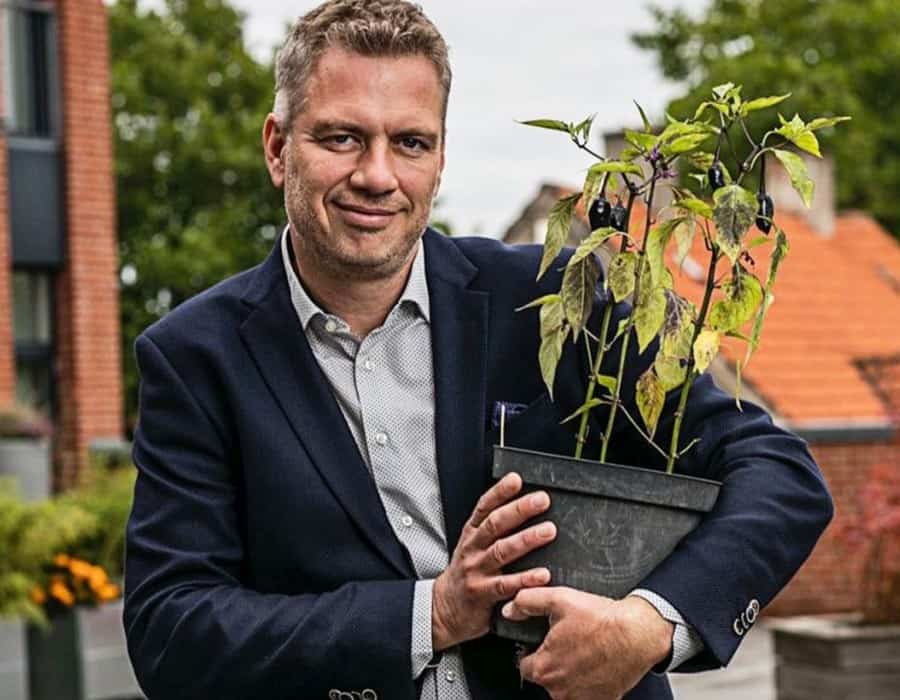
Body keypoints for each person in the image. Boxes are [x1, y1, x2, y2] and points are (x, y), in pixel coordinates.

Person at [122, 1, 833, 699]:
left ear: (439, 158)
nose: (377, 175)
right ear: (278, 148)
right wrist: (430, 614)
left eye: (410, 142)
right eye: (340, 138)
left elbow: (777, 473)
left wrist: (648, 625)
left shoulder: (554, 297)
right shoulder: (195, 358)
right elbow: (171, 631)